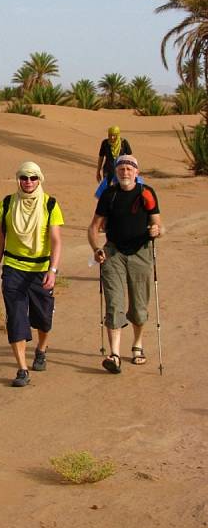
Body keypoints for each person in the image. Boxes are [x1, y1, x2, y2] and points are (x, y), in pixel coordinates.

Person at [0, 162, 63, 387]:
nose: (28, 182)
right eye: (23, 177)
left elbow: (56, 241)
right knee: (16, 318)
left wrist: (53, 270)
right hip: (13, 268)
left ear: (39, 179)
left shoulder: (50, 204)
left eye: (32, 178)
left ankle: (40, 349)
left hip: (41, 270)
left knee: (44, 319)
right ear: (18, 179)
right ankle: (22, 369)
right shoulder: (7, 204)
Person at [88, 155, 162, 374]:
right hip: (114, 254)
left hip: (141, 253)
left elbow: (158, 225)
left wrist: (156, 231)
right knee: (113, 304)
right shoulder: (108, 195)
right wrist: (96, 249)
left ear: (137, 173)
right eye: (121, 168)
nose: (125, 172)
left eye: (130, 168)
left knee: (139, 307)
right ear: (116, 172)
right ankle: (115, 355)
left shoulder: (146, 193)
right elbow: (93, 228)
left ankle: (137, 345)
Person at [95, 126, 132, 198]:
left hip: (121, 171)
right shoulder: (105, 143)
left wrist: (131, 171)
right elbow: (101, 157)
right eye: (110, 135)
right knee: (107, 190)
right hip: (108, 170)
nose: (112, 137)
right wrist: (98, 171)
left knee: (121, 189)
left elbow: (130, 158)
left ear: (118, 135)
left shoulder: (124, 143)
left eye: (114, 135)